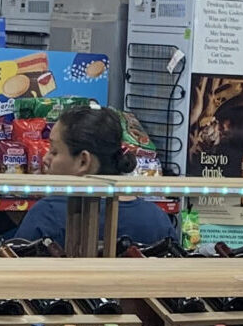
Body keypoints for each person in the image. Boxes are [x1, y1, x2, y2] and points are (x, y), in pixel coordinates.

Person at [11, 105, 174, 249]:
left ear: (83, 161)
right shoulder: (157, 218)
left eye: (54, 151)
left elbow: (14, 276)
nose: (45, 159)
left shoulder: (47, 214)